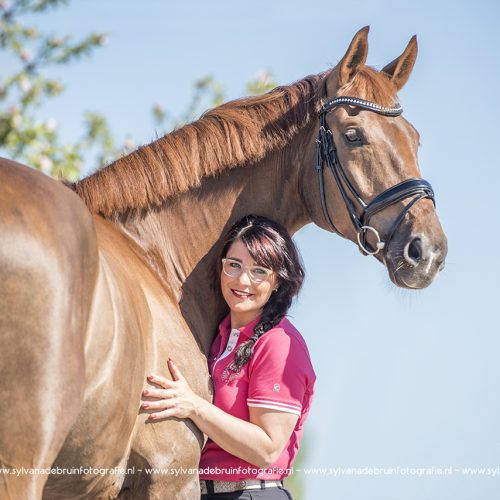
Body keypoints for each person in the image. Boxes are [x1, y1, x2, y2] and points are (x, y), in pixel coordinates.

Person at [141, 215, 316, 499]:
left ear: (277, 282)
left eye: (259, 271)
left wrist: (194, 406)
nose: (242, 280)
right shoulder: (220, 337)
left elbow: (267, 449)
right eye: (233, 265)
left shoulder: (279, 343)